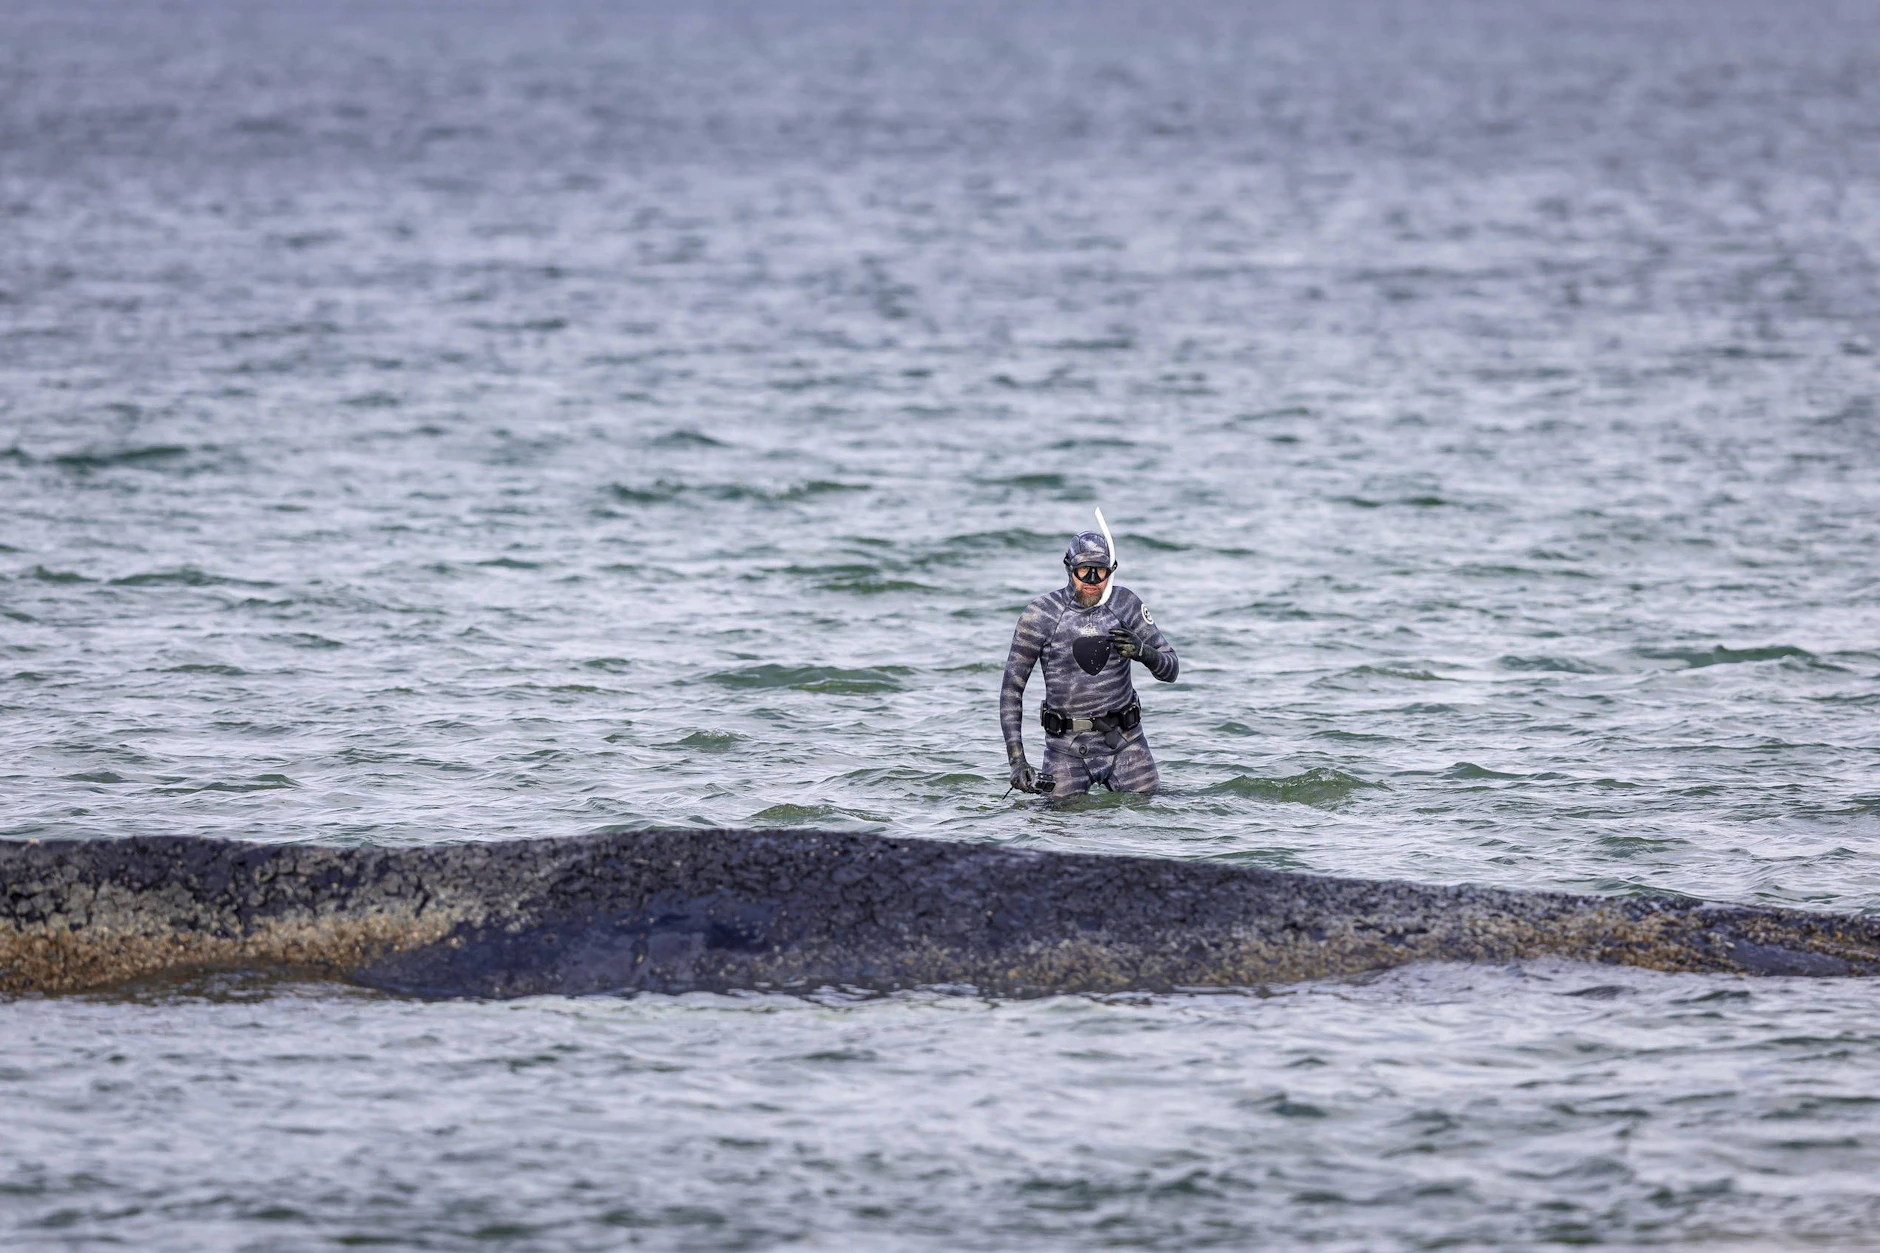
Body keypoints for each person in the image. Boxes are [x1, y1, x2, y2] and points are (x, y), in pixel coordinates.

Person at [1000, 510, 1178, 796]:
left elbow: (1172, 669)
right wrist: (1017, 762)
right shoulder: (1040, 615)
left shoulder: (1126, 604)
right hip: (1065, 750)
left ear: (1112, 570)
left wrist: (1144, 653)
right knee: (1057, 828)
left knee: (1153, 819)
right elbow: (1011, 690)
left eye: (1101, 571)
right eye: (1084, 570)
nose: (1092, 580)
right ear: (1069, 568)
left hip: (1126, 744)